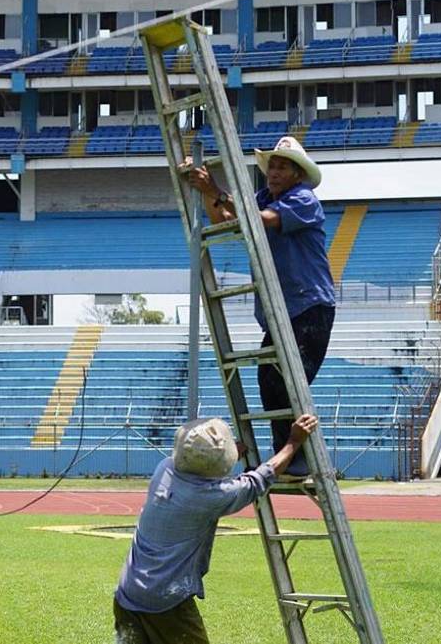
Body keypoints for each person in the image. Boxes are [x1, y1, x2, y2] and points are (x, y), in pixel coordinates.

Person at [183, 136, 335, 478]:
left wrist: (217, 190)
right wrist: (208, 192)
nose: (274, 172)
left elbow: (259, 219)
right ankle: (290, 456)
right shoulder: (264, 198)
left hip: (309, 306)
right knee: (269, 381)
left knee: (285, 383)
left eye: (283, 166)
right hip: (282, 311)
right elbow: (226, 218)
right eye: (273, 166)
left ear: (298, 174)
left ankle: (298, 457)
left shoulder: (304, 200)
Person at [113, 414, 319, 644]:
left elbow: (201, 471)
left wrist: (224, 456)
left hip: (127, 591)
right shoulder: (209, 496)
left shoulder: (165, 468)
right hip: (165, 600)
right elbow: (260, 479)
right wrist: (294, 441)